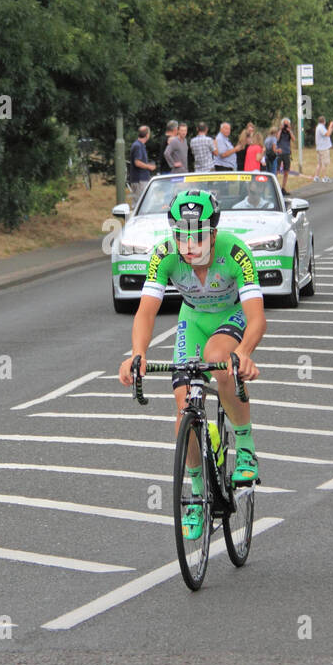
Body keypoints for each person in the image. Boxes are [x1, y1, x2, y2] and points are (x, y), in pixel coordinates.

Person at [117, 190, 265, 539]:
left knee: (218, 359)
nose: (189, 244)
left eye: (197, 235)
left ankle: (245, 447)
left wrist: (244, 351)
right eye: (181, 235)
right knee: (184, 409)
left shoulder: (235, 252)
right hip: (193, 319)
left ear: (214, 232)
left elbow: (257, 317)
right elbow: (146, 311)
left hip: (231, 318)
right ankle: (198, 495)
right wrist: (137, 353)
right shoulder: (164, 255)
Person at [128, 124, 157, 193]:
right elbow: (137, 162)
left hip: (140, 179)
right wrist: (149, 167)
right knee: (139, 201)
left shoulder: (140, 145)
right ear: (147, 135)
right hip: (139, 180)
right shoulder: (138, 146)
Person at [275, 118, 294, 192]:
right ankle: (276, 188)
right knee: (276, 171)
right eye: (285, 124)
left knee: (286, 171)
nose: (286, 125)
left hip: (287, 152)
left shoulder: (289, 132)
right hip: (279, 152)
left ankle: (283, 188)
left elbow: (293, 139)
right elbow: (277, 139)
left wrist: (290, 131)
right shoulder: (279, 131)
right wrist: (280, 129)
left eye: (287, 124)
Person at [313, 115, 333, 182]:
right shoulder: (321, 127)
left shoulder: (319, 127)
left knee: (319, 163)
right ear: (324, 121)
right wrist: (330, 126)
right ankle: (324, 177)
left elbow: (328, 133)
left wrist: (331, 128)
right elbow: (327, 134)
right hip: (323, 148)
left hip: (320, 148)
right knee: (324, 163)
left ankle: (316, 176)